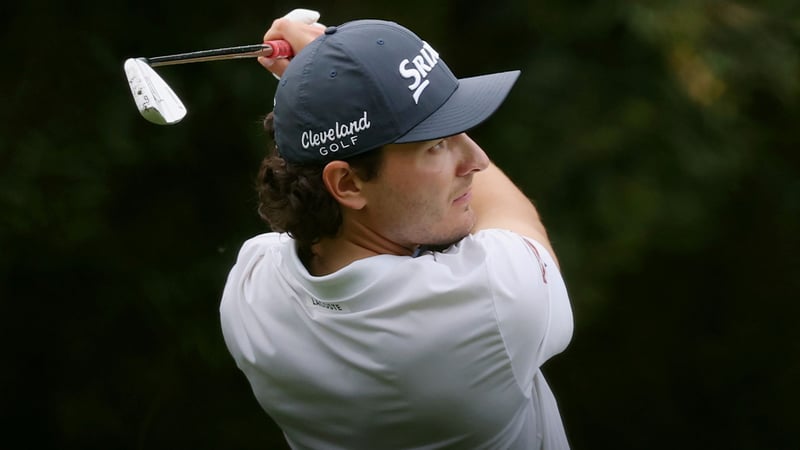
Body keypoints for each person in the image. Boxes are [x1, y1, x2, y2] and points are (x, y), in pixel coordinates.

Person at [220, 11, 574, 450]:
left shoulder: (250, 292)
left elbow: (309, 163)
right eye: (437, 144)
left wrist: (320, 91)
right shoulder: (495, 305)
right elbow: (513, 216)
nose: (477, 160)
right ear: (347, 184)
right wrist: (316, 68)